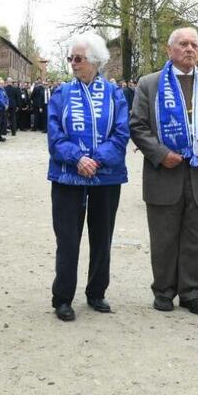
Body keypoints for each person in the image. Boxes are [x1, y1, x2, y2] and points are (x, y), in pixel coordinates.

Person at [129, 27, 198, 316]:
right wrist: (161, 154)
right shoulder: (149, 84)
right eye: (183, 44)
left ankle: (190, 292)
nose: (189, 49)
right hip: (164, 173)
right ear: (169, 49)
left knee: (197, 238)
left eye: (194, 45)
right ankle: (163, 291)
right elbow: (137, 125)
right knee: (163, 237)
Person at [48, 33, 130, 321]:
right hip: (67, 178)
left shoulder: (114, 94)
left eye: (78, 58)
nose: (73, 63)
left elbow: (121, 134)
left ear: (94, 61)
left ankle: (96, 292)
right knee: (67, 239)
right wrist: (77, 158)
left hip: (105, 178)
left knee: (102, 237)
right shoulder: (61, 94)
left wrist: (96, 160)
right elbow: (55, 135)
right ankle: (62, 298)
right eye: (70, 58)